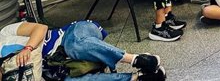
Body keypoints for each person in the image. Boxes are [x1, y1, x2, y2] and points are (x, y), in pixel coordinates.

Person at [0, 20, 165, 80]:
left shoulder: (5, 33)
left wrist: (28, 48)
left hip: (71, 35)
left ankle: (137, 59)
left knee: (75, 45)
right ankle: (138, 78)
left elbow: (40, 28)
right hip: (60, 65)